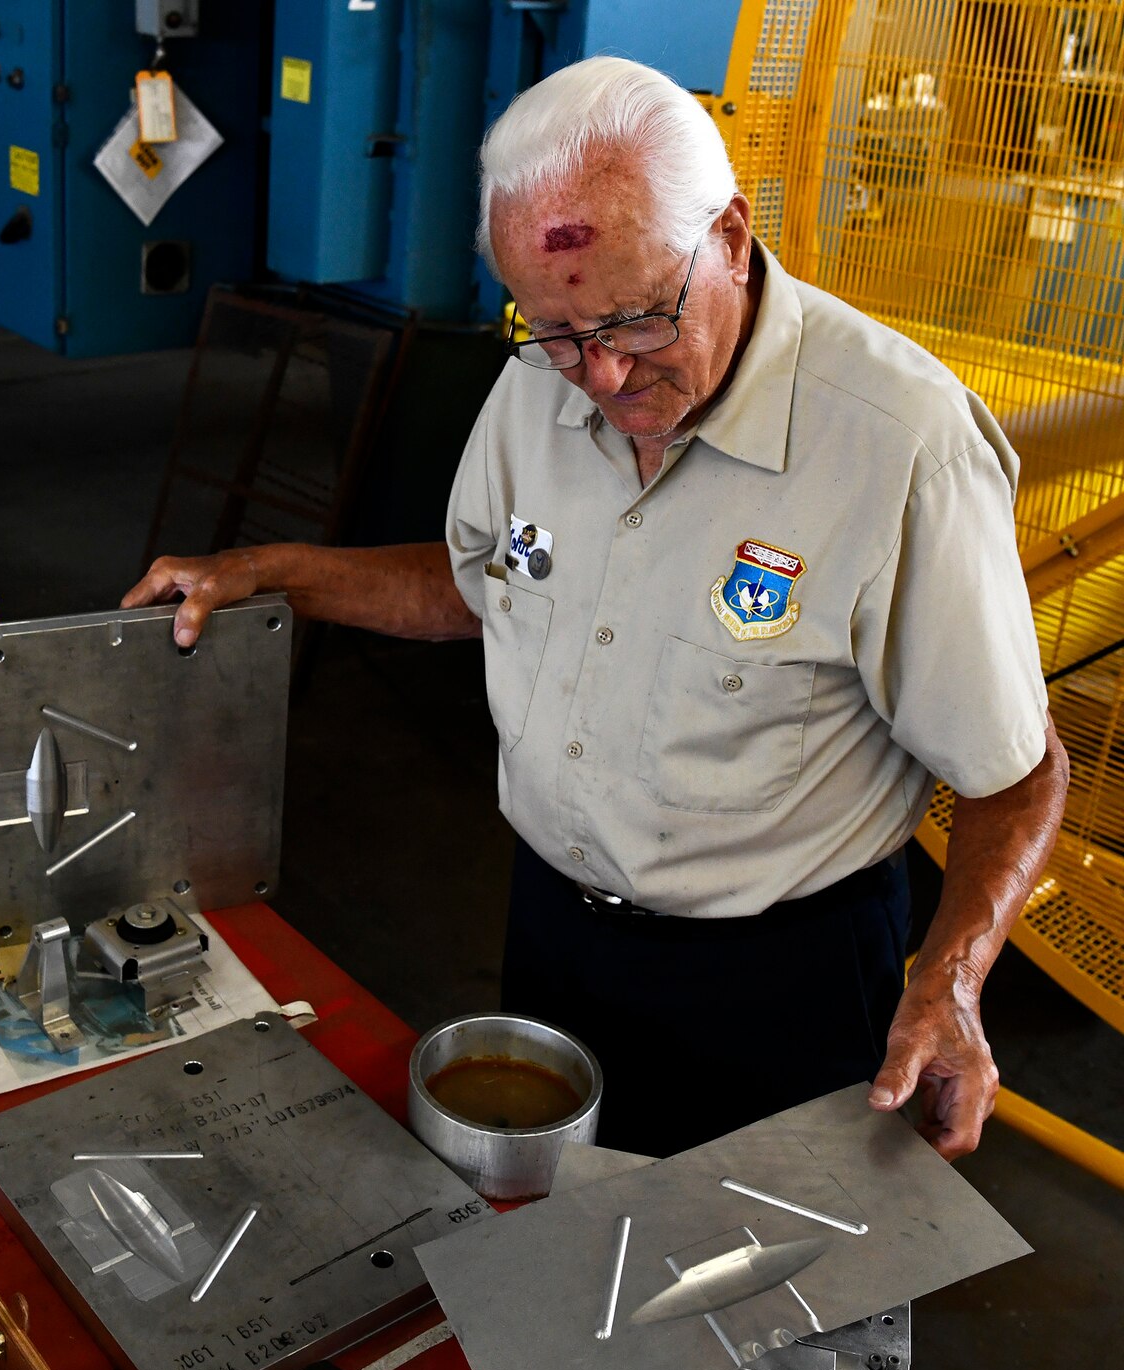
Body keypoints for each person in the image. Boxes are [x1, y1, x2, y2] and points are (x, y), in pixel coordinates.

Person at [124, 57, 1067, 1161]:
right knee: (553, 1269)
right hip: (553, 936)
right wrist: (267, 570)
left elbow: (1016, 773)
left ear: (727, 233)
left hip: (779, 985)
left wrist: (949, 979)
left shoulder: (899, 447)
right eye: (557, 335)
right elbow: (484, 585)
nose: (603, 378)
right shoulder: (541, 376)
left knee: (755, 1308)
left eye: (634, 322)